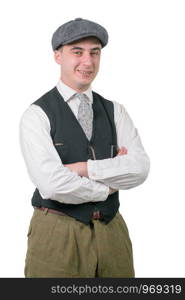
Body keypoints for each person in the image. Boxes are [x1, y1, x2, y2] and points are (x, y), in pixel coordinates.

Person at [19, 18, 150, 278]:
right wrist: (109, 184)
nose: (88, 62)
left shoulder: (116, 111)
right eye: (77, 52)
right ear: (58, 56)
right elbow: (52, 184)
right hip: (57, 234)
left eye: (95, 52)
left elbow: (139, 168)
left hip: (112, 231)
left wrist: (82, 169)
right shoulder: (36, 115)